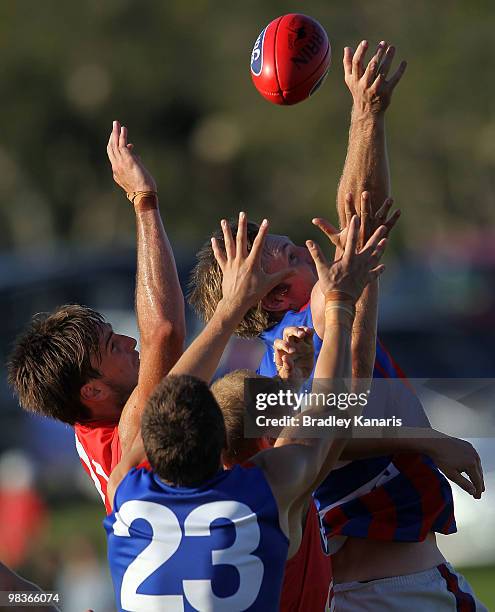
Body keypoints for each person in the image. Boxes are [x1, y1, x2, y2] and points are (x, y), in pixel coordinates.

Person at [188, 40, 487, 609]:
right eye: (258, 248)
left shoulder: (282, 359)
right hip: (401, 593)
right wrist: (365, 116)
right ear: (270, 294)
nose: (272, 235)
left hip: (341, 593)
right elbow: (360, 217)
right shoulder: (307, 329)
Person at [105, 212, 387, 611]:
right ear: (222, 446)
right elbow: (336, 412)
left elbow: (326, 414)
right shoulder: (263, 493)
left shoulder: (125, 492)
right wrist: (339, 304)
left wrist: (232, 306)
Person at [212, 326, 485, 612]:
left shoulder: (228, 497)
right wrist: (346, 303)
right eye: (290, 417)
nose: (298, 417)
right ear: (268, 440)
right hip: (398, 596)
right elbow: (332, 423)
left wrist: (289, 384)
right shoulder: (282, 488)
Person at [7, 121, 185, 513]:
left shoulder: (94, 418)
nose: (130, 341)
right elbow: (164, 333)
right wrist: (143, 200)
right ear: (93, 391)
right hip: (260, 564)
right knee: (326, 416)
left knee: (307, 412)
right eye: (112, 345)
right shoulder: (124, 438)